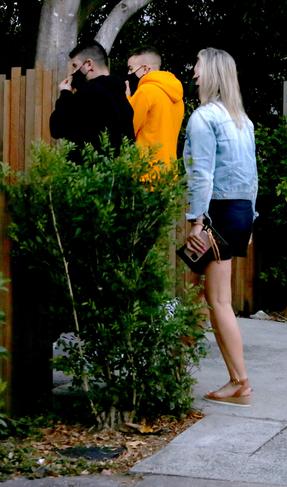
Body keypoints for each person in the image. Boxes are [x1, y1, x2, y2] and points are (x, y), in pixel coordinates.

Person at [183, 48, 258, 407]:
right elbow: (254, 176)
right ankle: (231, 378)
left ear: (210, 72)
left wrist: (197, 220)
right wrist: (252, 217)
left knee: (217, 301)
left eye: (198, 67)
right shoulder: (243, 120)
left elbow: (202, 174)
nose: (194, 73)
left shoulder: (203, 118)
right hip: (241, 211)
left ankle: (240, 381)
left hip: (217, 212)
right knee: (204, 295)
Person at [50, 40, 134, 158]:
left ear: (89, 64)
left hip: (88, 173)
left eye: (75, 66)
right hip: (118, 172)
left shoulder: (87, 94)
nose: (72, 73)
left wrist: (65, 94)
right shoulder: (121, 95)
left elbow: (56, 128)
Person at [126, 46, 184, 174]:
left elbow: (128, 129)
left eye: (131, 69)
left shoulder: (145, 91)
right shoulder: (178, 98)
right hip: (169, 172)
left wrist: (127, 99)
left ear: (145, 69)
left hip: (145, 171)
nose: (129, 74)